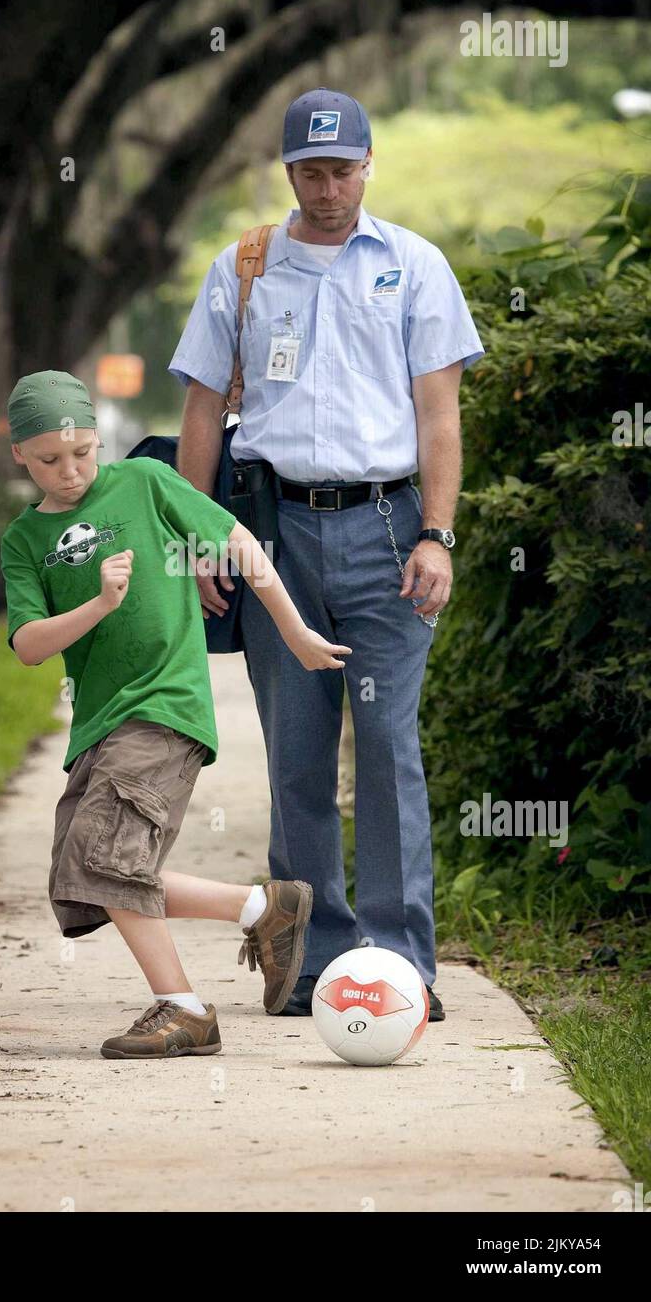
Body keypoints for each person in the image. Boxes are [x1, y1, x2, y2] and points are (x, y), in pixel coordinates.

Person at [170, 87, 485, 1021]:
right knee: (297, 756)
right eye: (311, 170)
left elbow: (439, 415)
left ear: (368, 164)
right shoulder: (244, 269)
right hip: (270, 534)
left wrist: (438, 534)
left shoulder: (414, 267)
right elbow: (199, 414)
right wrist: (200, 539)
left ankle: (398, 966)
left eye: (343, 167)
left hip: (390, 529)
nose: (328, 186)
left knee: (389, 749)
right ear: (288, 171)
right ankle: (310, 964)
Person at [0, 369, 351, 1059]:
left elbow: (242, 544)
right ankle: (262, 909)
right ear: (19, 455)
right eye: (48, 460)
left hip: (165, 705)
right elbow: (28, 646)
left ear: (98, 439)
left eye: (81, 453)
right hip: (99, 721)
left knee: (104, 861)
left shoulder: (144, 483)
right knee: (82, 880)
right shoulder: (22, 540)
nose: (69, 471)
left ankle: (185, 1010)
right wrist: (98, 605)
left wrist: (295, 630)